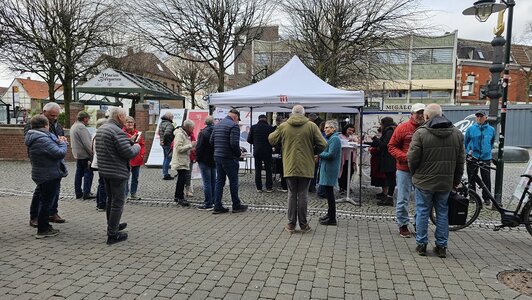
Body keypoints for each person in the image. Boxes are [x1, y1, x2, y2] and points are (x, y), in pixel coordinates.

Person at [407, 103, 465, 258]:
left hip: (424, 181)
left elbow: (412, 158)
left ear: (426, 116)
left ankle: (421, 244)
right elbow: (460, 162)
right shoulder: (457, 134)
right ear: (442, 114)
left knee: (422, 211)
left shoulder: (420, 133)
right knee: (442, 213)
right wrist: (456, 180)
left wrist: (415, 174)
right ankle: (441, 246)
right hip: (445, 182)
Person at [269, 105, 327, 233]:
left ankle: (290, 224)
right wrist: (313, 151)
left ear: (292, 113)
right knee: (303, 194)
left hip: (289, 164)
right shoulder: (312, 126)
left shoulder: (284, 126)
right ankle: (303, 224)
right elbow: (323, 144)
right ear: (304, 113)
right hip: (306, 165)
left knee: (291, 194)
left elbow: (271, 139)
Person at [95, 107, 140, 245]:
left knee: (110, 200)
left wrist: (129, 142)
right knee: (118, 203)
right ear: (120, 116)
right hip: (117, 172)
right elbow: (128, 153)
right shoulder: (117, 131)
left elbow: (114, 147)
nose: (126, 119)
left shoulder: (103, 128)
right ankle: (112, 234)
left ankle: (112, 225)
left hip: (105, 171)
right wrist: (136, 146)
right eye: (125, 116)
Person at [25, 115, 68, 238]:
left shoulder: (36, 136)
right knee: (46, 202)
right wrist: (63, 143)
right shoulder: (42, 138)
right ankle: (43, 229)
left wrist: (58, 141)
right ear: (45, 126)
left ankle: (44, 225)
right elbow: (59, 153)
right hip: (48, 174)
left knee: (44, 199)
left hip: (42, 172)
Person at [388, 103, 426, 238]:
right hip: (404, 169)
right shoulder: (403, 128)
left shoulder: (428, 128)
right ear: (412, 114)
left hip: (422, 170)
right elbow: (391, 146)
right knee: (403, 198)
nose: (420, 115)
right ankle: (403, 224)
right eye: (418, 113)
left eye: (422, 112)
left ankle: (419, 224)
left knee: (421, 199)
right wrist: (405, 158)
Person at [210, 109, 248, 214]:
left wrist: (219, 149)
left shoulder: (217, 125)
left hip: (218, 156)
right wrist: (238, 153)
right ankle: (236, 205)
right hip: (229, 157)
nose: (238, 122)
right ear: (235, 116)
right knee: (233, 181)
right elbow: (234, 143)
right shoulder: (233, 126)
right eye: (238, 119)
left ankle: (217, 206)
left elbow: (211, 141)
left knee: (219, 181)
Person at [464, 110, 495, 207]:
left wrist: (487, 150)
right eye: (477, 116)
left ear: (485, 117)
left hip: (486, 157)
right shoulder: (471, 129)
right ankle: (472, 196)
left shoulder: (491, 129)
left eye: (481, 116)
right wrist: (469, 150)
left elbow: (492, 141)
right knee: (472, 177)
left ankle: (487, 198)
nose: (479, 118)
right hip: (473, 157)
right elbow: (466, 141)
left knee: (486, 178)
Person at [317, 120, 342, 226]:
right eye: (325, 127)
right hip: (327, 168)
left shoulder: (335, 139)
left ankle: (332, 218)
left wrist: (319, 154)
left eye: (328, 127)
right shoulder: (331, 138)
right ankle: (329, 214)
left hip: (330, 169)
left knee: (330, 194)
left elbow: (331, 155)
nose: (325, 129)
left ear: (334, 128)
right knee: (328, 193)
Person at [368, 117, 397, 206]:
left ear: (384, 124)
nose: (380, 125)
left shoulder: (389, 131)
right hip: (389, 158)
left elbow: (384, 145)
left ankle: (389, 198)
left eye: (381, 124)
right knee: (389, 179)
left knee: (390, 179)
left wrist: (374, 138)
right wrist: (368, 143)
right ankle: (388, 197)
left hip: (389, 159)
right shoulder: (390, 130)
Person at [70, 111, 95, 200]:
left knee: (79, 174)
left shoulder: (74, 126)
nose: (88, 121)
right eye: (88, 119)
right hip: (84, 155)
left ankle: (78, 192)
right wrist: (92, 154)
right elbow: (87, 143)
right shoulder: (81, 127)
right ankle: (86, 193)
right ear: (85, 118)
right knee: (88, 173)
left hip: (77, 154)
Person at [247, 114, 275, 192]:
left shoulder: (253, 127)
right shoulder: (270, 128)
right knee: (268, 169)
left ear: (259, 119)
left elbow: (249, 140)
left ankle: (259, 187)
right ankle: (269, 187)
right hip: (267, 151)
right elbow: (273, 140)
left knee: (258, 169)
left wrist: (255, 143)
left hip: (257, 151)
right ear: (266, 119)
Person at [171, 119, 195, 207]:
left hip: (183, 160)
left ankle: (178, 196)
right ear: (188, 127)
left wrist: (191, 148)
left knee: (182, 179)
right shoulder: (180, 135)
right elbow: (179, 148)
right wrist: (191, 145)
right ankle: (180, 197)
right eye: (192, 128)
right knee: (182, 180)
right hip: (180, 160)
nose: (193, 130)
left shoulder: (184, 134)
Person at [196, 116, 216, 210]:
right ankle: (214, 201)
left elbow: (199, 148)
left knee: (207, 182)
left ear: (205, 123)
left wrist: (198, 158)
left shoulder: (203, 133)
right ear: (213, 122)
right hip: (214, 159)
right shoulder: (217, 132)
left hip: (204, 160)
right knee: (213, 181)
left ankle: (208, 203)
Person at [123, 116, 145, 200]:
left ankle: (133, 193)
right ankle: (124, 194)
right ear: (125, 124)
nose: (130, 124)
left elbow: (142, 145)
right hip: (127, 159)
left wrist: (142, 154)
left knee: (135, 177)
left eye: (131, 122)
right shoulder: (122, 133)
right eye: (128, 122)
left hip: (137, 158)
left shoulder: (138, 133)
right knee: (126, 177)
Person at [91, 118, 107, 212]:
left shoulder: (94, 134)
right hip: (102, 162)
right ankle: (102, 204)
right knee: (103, 184)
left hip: (98, 161)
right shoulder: (100, 135)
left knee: (101, 183)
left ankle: (99, 203)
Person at [338, 123, 357, 194]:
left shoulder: (352, 137)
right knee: (343, 171)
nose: (350, 131)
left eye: (352, 130)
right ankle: (341, 187)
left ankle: (347, 186)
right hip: (343, 156)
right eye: (349, 130)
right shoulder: (340, 136)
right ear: (345, 129)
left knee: (350, 171)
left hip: (351, 157)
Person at [272, 116, 288, 192]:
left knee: (283, 169)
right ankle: (286, 186)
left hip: (284, 152)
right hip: (287, 152)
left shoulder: (282, 129)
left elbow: (272, 139)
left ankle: (284, 186)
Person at [159, 112, 175, 180]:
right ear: (169, 117)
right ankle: (166, 174)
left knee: (165, 158)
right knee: (168, 159)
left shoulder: (161, 123)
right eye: (172, 117)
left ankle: (165, 173)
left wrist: (162, 141)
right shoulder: (169, 124)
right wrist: (168, 142)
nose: (172, 118)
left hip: (163, 144)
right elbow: (167, 134)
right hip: (167, 144)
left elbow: (161, 133)